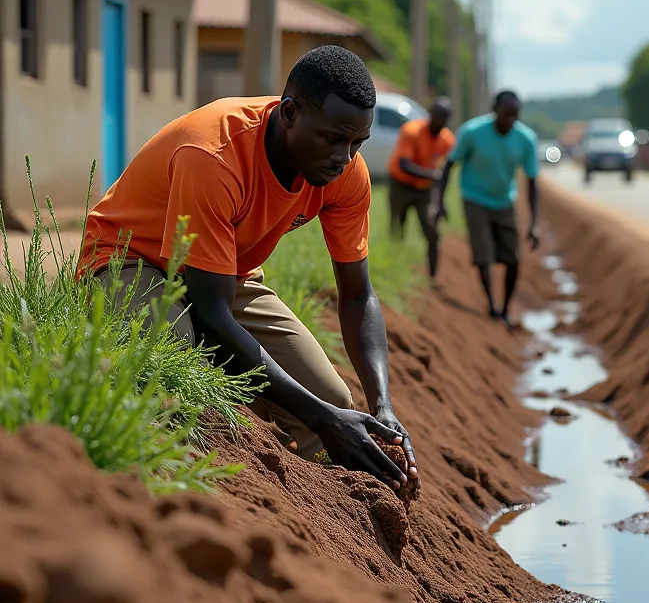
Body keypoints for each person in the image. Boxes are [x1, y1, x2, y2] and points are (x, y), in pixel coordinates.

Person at [78, 45, 418, 493]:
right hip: (131, 259)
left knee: (334, 401)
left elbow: (357, 295)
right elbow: (212, 315)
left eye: (357, 143)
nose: (344, 156)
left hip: (223, 275)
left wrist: (382, 407)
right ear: (290, 113)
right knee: (175, 363)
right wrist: (322, 416)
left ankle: (307, 510)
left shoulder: (345, 174)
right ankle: (177, 485)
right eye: (333, 139)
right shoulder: (214, 153)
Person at [436, 91, 539, 324]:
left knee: (513, 258)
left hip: (504, 200)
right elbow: (449, 165)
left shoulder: (525, 139)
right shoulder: (472, 132)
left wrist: (533, 223)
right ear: (495, 111)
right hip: (475, 198)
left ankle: (504, 309)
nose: (510, 120)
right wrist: (440, 203)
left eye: (515, 115)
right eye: (506, 114)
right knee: (483, 254)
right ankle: (492, 306)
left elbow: (532, 182)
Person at [387, 98, 455, 278]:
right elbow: (404, 164)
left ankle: (432, 277)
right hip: (401, 184)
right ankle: (393, 270)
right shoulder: (412, 131)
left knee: (432, 230)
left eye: (445, 117)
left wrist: (441, 202)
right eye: (438, 115)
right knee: (397, 226)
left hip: (425, 190)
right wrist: (432, 175)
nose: (441, 120)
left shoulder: (447, 140)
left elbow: (447, 169)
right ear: (430, 114)